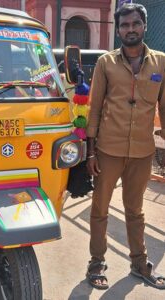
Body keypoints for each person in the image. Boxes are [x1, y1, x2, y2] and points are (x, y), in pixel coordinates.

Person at [85, 3, 165, 290]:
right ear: (118, 30)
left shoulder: (161, 63)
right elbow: (94, 109)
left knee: (136, 211)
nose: (130, 29)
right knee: (100, 209)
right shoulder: (106, 62)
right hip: (107, 150)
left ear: (144, 26)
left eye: (135, 24)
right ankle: (96, 262)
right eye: (124, 25)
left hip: (142, 152)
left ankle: (140, 263)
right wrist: (90, 151)